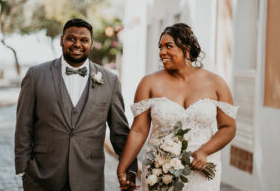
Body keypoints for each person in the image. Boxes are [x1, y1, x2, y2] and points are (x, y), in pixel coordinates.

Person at [14, 18, 137, 191]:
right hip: (42, 177)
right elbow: (23, 126)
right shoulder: (36, 75)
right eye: (71, 38)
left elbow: (120, 132)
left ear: (91, 44)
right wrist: (23, 170)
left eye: (84, 40)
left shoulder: (110, 80)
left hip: (89, 178)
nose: (77, 44)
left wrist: (129, 169)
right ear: (61, 40)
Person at [117, 23, 238, 191]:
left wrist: (204, 151)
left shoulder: (216, 83)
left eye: (168, 46)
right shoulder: (149, 83)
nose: (161, 52)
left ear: (186, 49)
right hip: (159, 172)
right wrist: (123, 167)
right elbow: (138, 130)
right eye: (160, 47)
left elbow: (228, 127)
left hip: (202, 171)